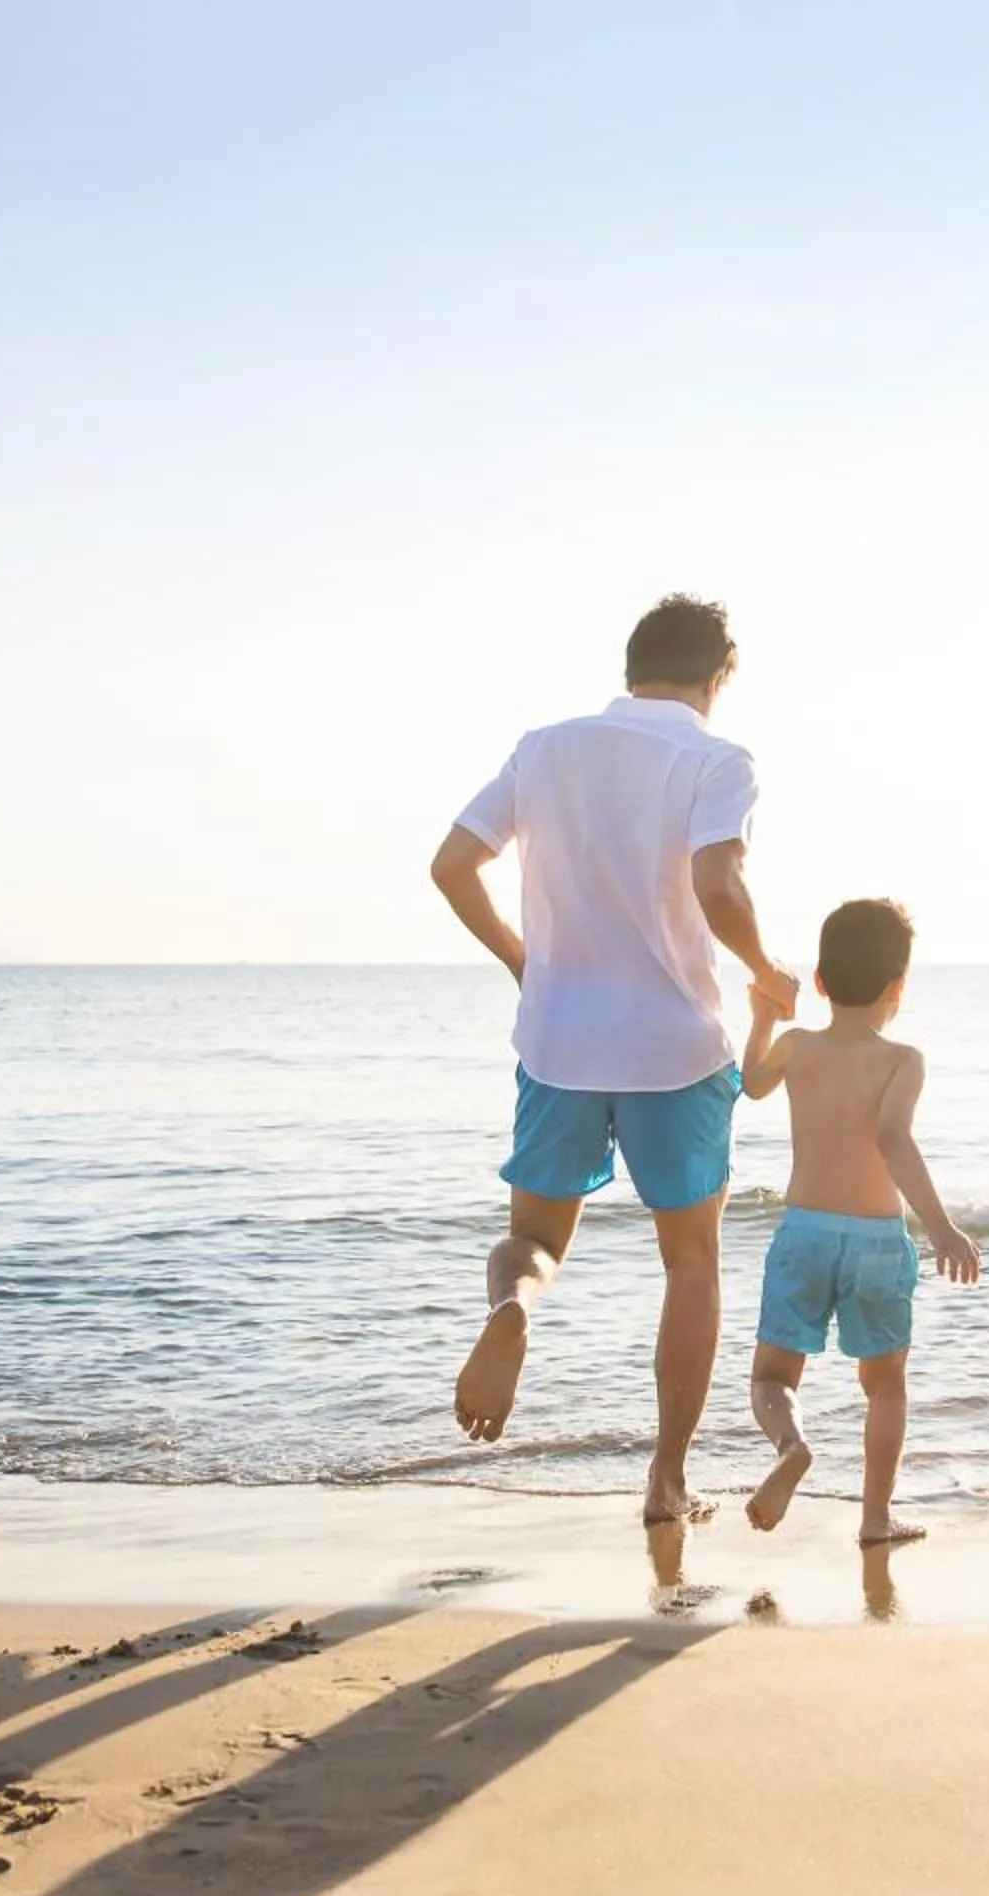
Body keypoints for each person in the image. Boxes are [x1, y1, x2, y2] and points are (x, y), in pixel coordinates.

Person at [427, 593, 798, 1525]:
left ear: (631, 667)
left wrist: (524, 960)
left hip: (558, 1045)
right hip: (676, 1049)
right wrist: (764, 968)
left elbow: (451, 866)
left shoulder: (545, 746)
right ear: (720, 677)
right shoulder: (717, 758)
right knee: (691, 1265)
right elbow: (717, 879)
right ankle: (668, 1479)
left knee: (536, 1241)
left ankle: (513, 1310)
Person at [735, 898, 980, 1544]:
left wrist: (760, 1019)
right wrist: (942, 1227)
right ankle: (875, 1519)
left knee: (772, 1377)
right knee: (885, 1388)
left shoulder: (797, 1047)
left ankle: (791, 1447)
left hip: (805, 1233)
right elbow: (894, 1139)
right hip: (875, 1240)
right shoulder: (903, 1060)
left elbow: (752, 1083)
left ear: (818, 981)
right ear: (898, 990)